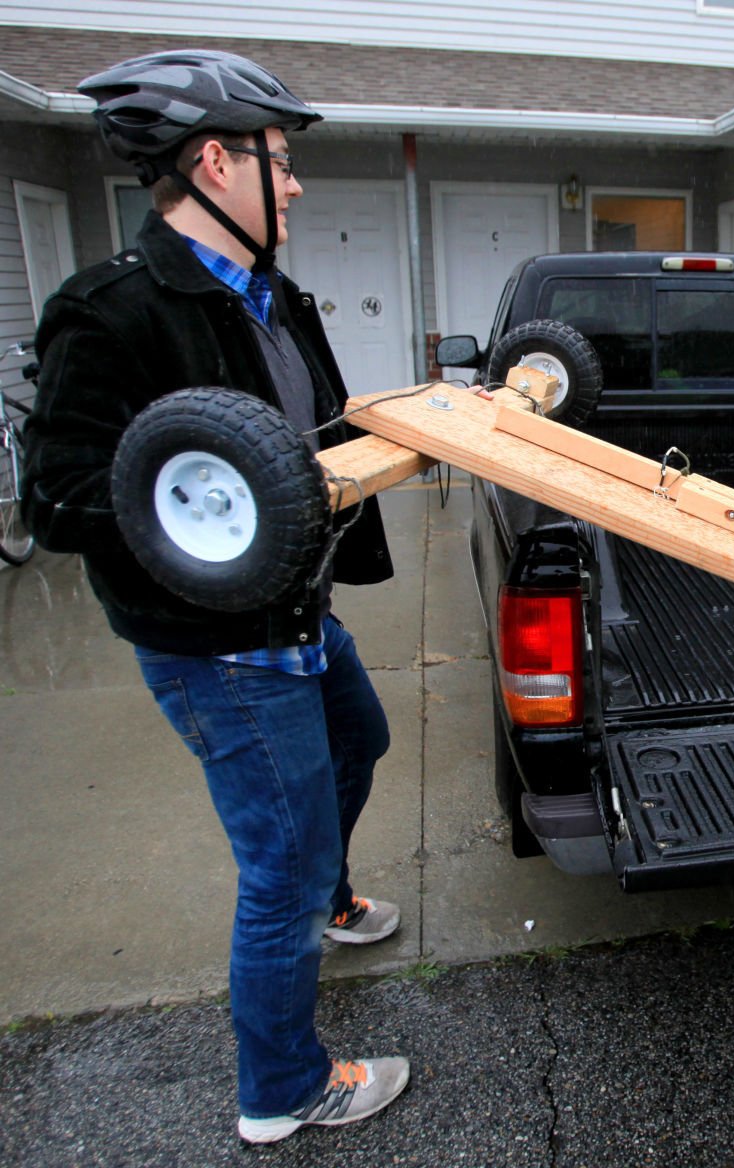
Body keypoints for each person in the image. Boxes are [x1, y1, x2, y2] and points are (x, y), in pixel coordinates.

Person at [22, 50, 412, 1144]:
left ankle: (334, 904)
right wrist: (206, 511)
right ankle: (282, 1089)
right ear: (211, 163)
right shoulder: (109, 313)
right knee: (276, 862)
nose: (291, 185)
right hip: (216, 646)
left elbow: (322, 430)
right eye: (277, 163)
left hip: (298, 612)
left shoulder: (274, 297)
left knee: (361, 742)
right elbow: (56, 499)